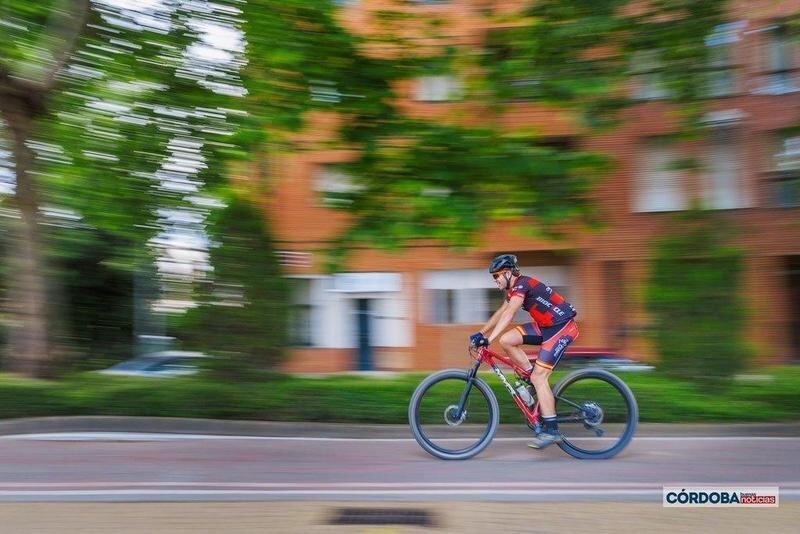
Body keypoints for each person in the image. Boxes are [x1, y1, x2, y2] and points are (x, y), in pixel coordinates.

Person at [469, 253, 579, 449]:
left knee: (540, 378)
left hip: (562, 327)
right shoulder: (512, 291)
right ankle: (529, 377)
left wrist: (488, 340)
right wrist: (480, 332)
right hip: (546, 326)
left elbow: (510, 314)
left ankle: (552, 431)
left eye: (497, 276)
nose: (495, 280)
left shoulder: (522, 285)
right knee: (507, 340)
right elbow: (501, 312)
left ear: (509, 273)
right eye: (493, 277)